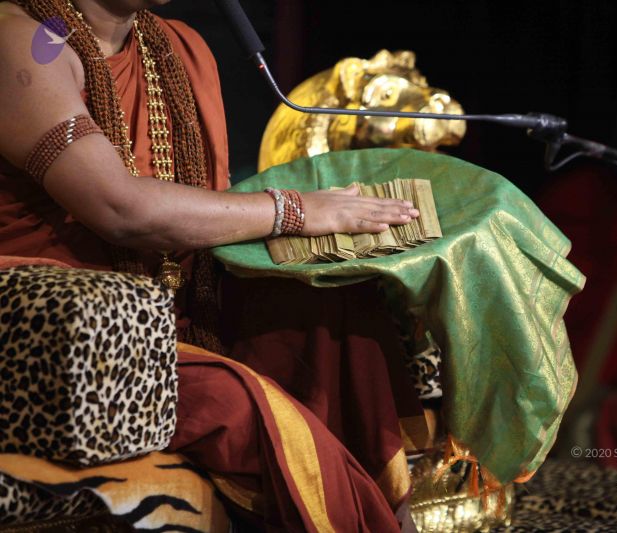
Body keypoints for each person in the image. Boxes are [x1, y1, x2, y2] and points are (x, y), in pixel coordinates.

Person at [0, 0, 427, 530]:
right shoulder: (27, 40)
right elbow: (120, 210)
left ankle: (394, 515)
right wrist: (292, 211)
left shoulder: (178, 45)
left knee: (331, 309)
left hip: (180, 304)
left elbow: (206, 207)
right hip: (70, 339)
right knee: (242, 406)